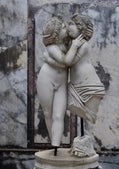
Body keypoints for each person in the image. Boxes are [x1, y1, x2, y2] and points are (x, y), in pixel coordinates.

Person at [44, 14, 105, 124]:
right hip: (76, 84)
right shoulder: (74, 43)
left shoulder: (83, 45)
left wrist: (50, 60)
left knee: (87, 113)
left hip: (87, 84)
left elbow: (68, 62)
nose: (68, 27)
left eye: (72, 24)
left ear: (80, 28)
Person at [36, 16, 85, 152]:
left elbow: (70, 61)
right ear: (56, 34)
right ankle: (54, 144)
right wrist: (74, 47)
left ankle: (56, 144)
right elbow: (66, 61)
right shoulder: (52, 47)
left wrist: (50, 61)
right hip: (47, 80)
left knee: (59, 115)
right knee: (47, 113)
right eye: (63, 27)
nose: (66, 28)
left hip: (61, 83)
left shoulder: (68, 44)